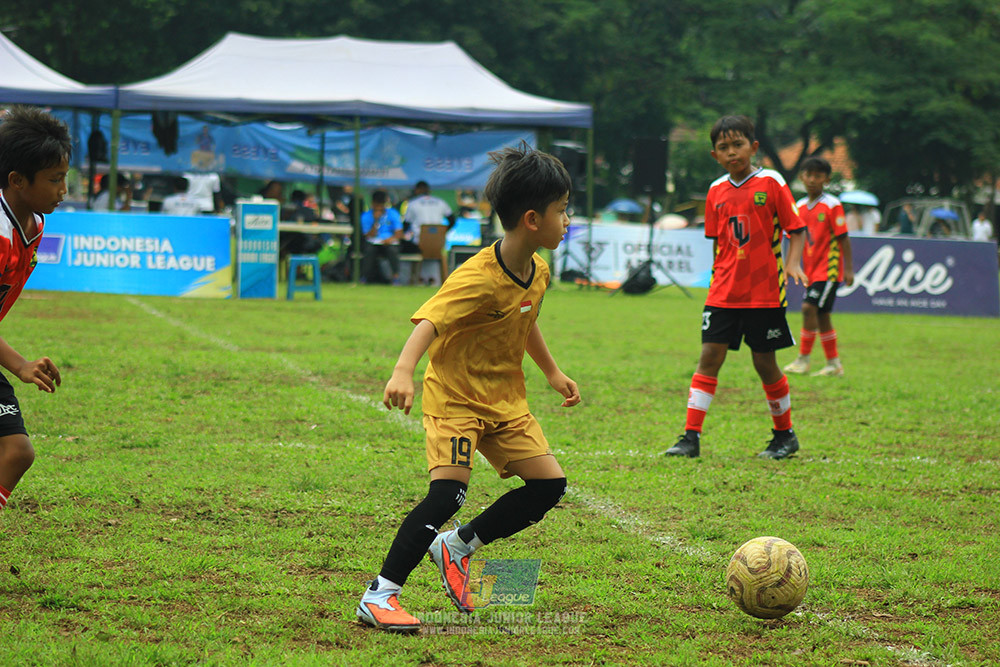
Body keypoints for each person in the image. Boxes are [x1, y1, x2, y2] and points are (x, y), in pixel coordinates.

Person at [356, 143, 580, 633]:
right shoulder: (476, 277)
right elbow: (430, 321)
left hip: (503, 399)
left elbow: (526, 319)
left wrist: (551, 372)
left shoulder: (538, 269)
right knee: (447, 494)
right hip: (455, 397)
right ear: (531, 219)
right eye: (562, 211)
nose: (568, 220)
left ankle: (456, 547)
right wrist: (402, 371)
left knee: (549, 485)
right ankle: (380, 595)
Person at [664, 115, 807, 460]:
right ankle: (690, 438)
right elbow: (718, 244)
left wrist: (792, 263)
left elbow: (796, 228)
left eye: (738, 144)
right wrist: (718, 277)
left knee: (764, 363)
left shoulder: (772, 182)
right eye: (724, 147)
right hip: (723, 292)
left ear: (753, 148)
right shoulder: (715, 192)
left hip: (765, 292)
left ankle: (784, 436)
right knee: (709, 357)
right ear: (715, 155)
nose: (732, 152)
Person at [0, 106, 69, 511]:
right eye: (55, 179)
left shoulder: (34, 225)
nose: (63, 190)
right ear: (17, 181)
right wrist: (21, 364)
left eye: (65, 178)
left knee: (17, 452)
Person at [784, 157, 855, 378]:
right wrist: (789, 264)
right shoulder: (800, 207)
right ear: (801, 177)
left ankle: (803, 360)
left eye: (818, 175)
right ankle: (833, 364)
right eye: (809, 175)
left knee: (808, 308)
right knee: (822, 316)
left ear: (827, 179)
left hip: (829, 270)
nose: (813, 180)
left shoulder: (832, 204)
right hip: (811, 271)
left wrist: (848, 269)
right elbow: (794, 237)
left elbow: (843, 238)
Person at [360, 190, 404, 284]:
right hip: (374, 243)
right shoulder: (366, 216)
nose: (379, 208)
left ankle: (395, 277)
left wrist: (390, 239)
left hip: (389, 242)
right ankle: (364, 277)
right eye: (377, 205)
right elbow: (367, 235)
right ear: (373, 204)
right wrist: (376, 221)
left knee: (393, 251)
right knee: (369, 251)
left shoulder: (393, 214)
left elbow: (399, 233)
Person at [403, 180, 455, 248]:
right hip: (437, 239)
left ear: (417, 190)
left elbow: (406, 223)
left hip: (419, 240)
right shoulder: (440, 201)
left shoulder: (413, 203)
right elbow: (452, 220)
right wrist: (443, 232)